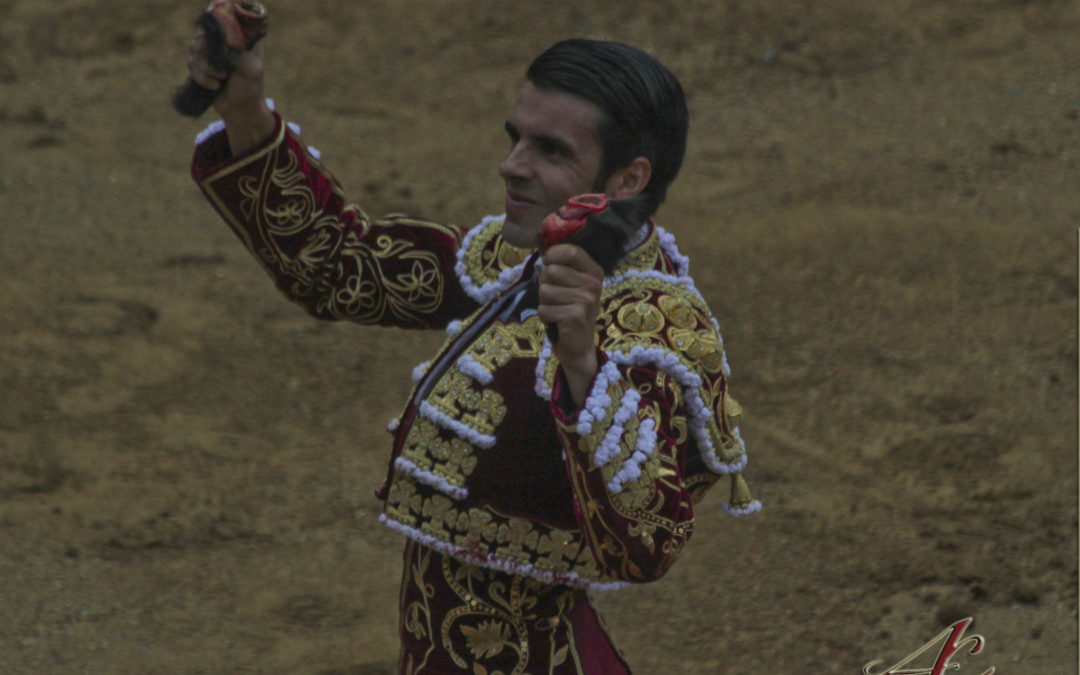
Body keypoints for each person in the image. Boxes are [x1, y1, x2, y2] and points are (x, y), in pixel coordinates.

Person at [184, 26, 759, 674]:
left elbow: (648, 544)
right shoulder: (515, 262)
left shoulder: (657, 334)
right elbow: (340, 267)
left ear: (629, 178)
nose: (511, 165)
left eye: (550, 149)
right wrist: (244, 108)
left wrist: (582, 368)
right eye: (515, 137)